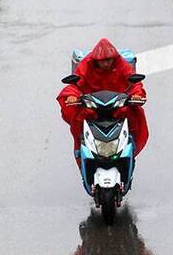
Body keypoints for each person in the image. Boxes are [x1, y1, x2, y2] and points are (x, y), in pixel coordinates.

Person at [56, 38, 149, 167]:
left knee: (136, 115)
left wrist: (137, 95)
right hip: (93, 106)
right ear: (96, 61)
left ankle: (131, 145)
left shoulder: (121, 65)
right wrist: (72, 96)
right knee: (77, 121)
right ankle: (80, 148)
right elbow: (74, 86)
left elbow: (134, 84)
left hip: (117, 105)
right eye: (102, 61)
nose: (106, 64)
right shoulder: (86, 66)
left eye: (108, 60)